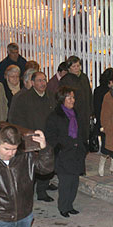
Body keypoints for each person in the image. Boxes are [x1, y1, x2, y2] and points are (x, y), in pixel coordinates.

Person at [8, 71, 56, 201]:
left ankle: (42, 191)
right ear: (33, 82)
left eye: (44, 80)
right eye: (39, 80)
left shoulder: (50, 96)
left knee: (45, 164)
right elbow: (16, 118)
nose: (43, 83)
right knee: (30, 168)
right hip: (31, 138)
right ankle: (26, 192)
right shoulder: (23, 98)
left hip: (47, 137)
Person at [45, 87, 87, 216]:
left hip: (76, 153)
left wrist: (82, 146)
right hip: (63, 154)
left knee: (74, 182)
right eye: (69, 97)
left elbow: (82, 132)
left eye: (73, 97)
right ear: (62, 99)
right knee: (65, 183)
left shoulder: (75, 113)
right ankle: (63, 207)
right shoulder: (55, 116)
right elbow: (50, 136)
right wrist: (61, 146)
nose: (72, 100)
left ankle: (70, 205)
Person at [58, 56, 92, 142]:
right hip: (73, 112)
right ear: (69, 68)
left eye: (78, 65)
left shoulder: (84, 77)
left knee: (84, 135)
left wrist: (91, 110)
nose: (76, 68)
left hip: (85, 111)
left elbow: (89, 94)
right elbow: (62, 98)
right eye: (74, 66)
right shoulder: (65, 80)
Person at [93, 67, 113, 177]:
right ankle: (101, 163)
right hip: (104, 122)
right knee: (106, 146)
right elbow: (97, 109)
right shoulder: (99, 91)